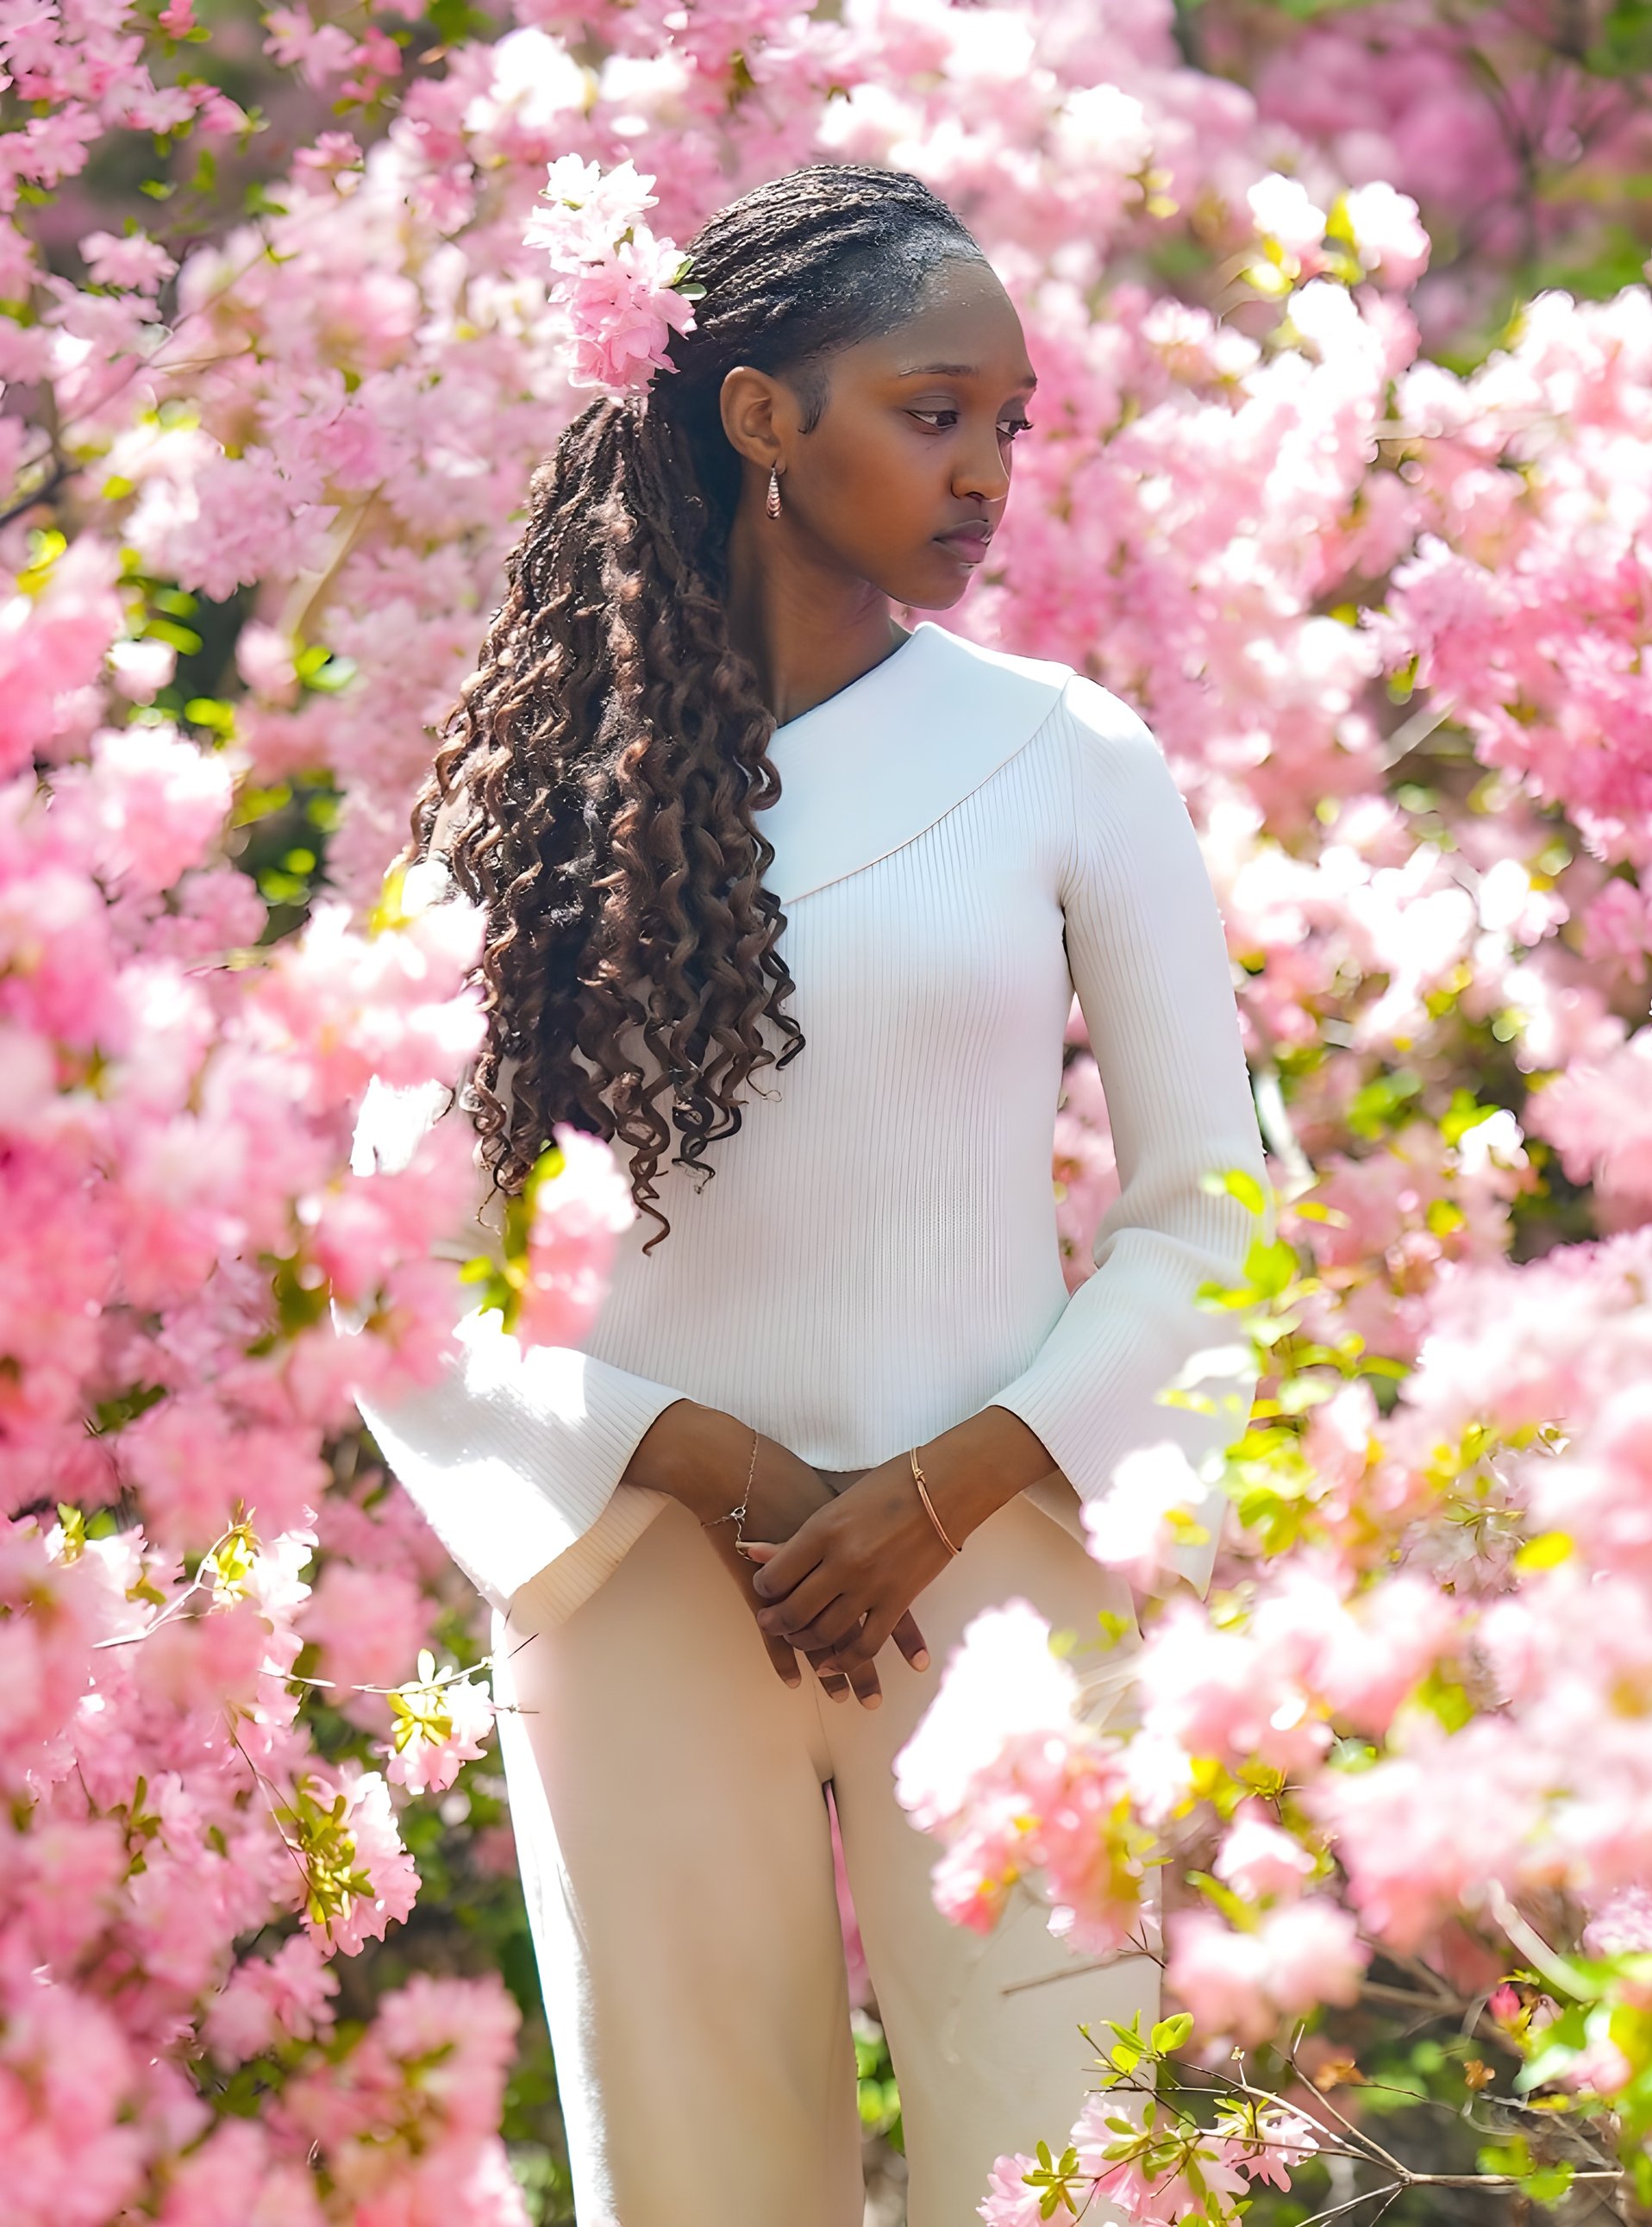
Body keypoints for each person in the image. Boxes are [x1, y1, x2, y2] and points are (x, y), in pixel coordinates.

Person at [351, 163, 1266, 2227]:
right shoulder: (527, 799)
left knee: (1073, 2179)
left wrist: (939, 1486)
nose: (984, 474)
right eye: (933, 411)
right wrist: (692, 1455)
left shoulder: (1071, 755)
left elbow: (1220, 1209)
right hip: (649, 1591)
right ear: (768, 418)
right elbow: (382, 1266)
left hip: (1009, 1580)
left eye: (1008, 426)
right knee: (694, 2190)